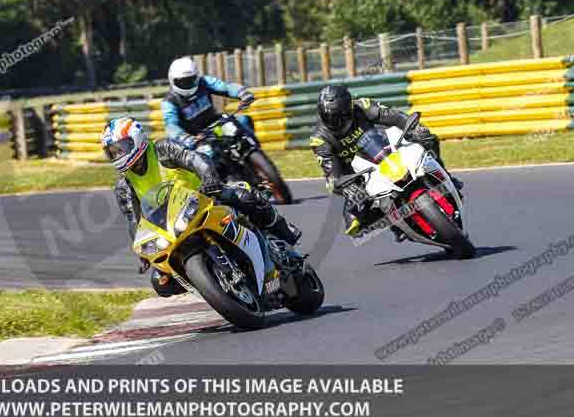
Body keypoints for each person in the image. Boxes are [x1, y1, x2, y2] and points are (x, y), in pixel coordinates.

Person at [101, 116, 301, 297]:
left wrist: (208, 177)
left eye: (121, 148)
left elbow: (195, 159)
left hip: (206, 196)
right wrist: (143, 253)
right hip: (171, 224)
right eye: (112, 152)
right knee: (161, 283)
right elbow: (135, 220)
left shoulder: (162, 148)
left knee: (245, 196)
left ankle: (283, 230)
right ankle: (215, 287)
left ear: (136, 140)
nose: (117, 155)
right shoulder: (124, 186)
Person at [309, 84, 463, 239]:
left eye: (339, 116)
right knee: (355, 224)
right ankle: (396, 223)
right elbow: (331, 175)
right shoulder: (319, 139)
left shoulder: (362, 106)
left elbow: (394, 116)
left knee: (429, 140)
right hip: (358, 174)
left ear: (349, 108)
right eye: (328, 117)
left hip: (381, 150)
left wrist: (416, 129)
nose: (335, 122)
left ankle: (446, 176)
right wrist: (345, 186)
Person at [161, 57, 256, 153]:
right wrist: (184, 137)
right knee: (209, 154)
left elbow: (224, 87)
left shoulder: (204, 81)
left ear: (197, 76)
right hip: (195, 139)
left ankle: (256, 149)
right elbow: (171, 125)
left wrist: (242, 93)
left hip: (216, 125)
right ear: (172, 80)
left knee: (243, 120)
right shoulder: (169, 102)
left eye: (191, 80)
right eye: (182, 82)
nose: (187, 84)